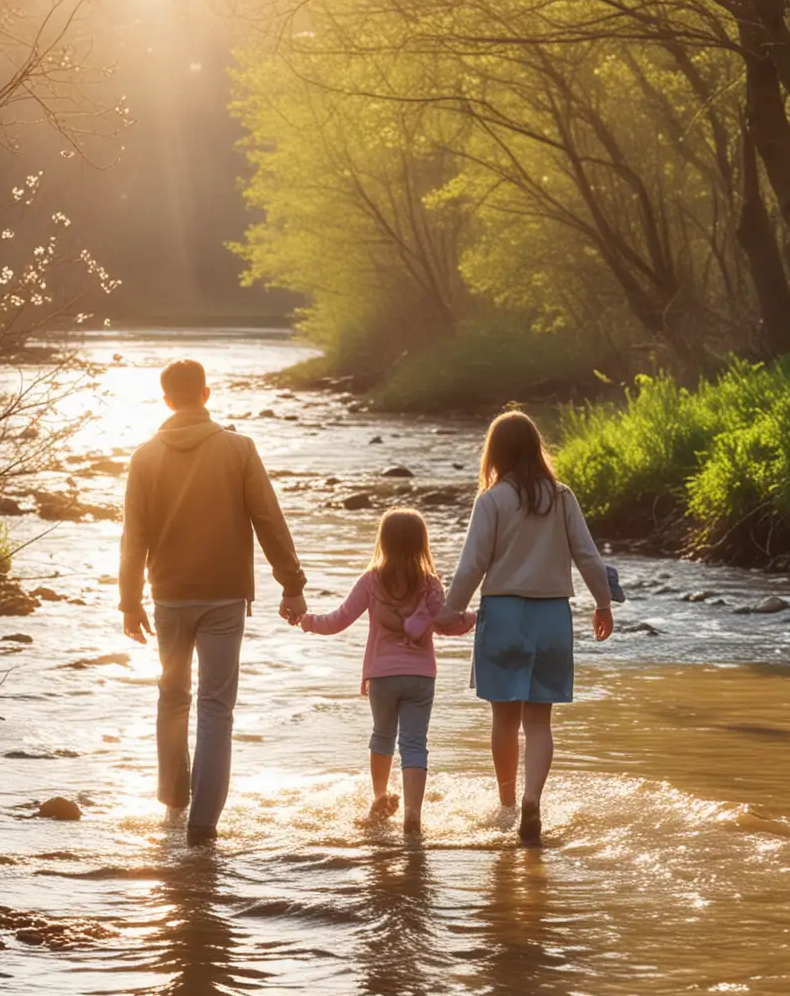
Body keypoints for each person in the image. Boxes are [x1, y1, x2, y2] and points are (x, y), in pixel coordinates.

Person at [118, 358, 307, 845]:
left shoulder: (144, 456)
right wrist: (292, 584)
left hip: (168, 598)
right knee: (216, 708)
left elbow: (132, 536)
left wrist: (129, 601)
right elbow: (268, 518)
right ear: (206, 393)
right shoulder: (238, 449)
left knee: (171, 698)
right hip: (224, 596)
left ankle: (172, 804)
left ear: (166, 400)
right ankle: (203, 824)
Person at [435, 410, 613, 846]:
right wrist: (603, 604)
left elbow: (473, 562)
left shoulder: (492, 500)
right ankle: (534, 798)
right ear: (536, 448)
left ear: (495, 452)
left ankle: (508, 803)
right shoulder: (562, 496)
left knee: (503, 719)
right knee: (539, 723)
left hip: (504, 614)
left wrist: (449, 610)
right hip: (552, 616)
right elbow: (588, 556)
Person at [299, 507, 474, 835]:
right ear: (422, 544)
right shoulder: (431, 585)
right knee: (414, 743)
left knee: (382, 736)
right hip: (421, 676)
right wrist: (476, 617)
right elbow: (447, 626)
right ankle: (412, 816)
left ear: (384, 542)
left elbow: (339, 620)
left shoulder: (371, 580)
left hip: (382, 676)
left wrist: (307, 621)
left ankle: (380, 799)